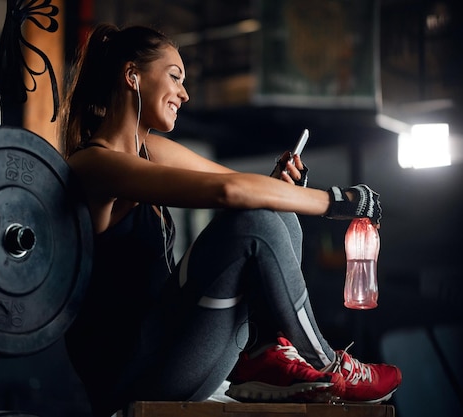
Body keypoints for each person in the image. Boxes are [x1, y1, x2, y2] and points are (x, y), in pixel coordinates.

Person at [59, 23, 401, 417]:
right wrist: (338, 202)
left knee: (274, 213)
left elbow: (236, 183)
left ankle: (265, 354)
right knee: (258, 223)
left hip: (181, 353)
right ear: (132, 75)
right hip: (132, 373)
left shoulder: (148, 149)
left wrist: (281, 189)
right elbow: (229, 193)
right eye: (175, 77)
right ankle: (328, 364)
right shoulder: (93, 164)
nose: (184, 94)